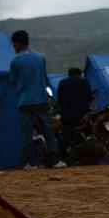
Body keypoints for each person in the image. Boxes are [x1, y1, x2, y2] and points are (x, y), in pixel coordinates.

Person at [10, 30, 66, 169]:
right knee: (47, 131)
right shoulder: (41, 58)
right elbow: (44, 79)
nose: (14, 47)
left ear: (17, 43)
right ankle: (56, 161)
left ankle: (31, 163)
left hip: (24, 101)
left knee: (27, 133)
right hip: (40, 99)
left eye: (14, 44)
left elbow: (13, 81)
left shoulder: (15, 61)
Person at [57, 67, 94, 161]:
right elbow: (90, 98)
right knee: (88, 134)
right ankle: (89, 157)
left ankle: (60, 159)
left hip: (67, 115)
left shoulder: (62, 82)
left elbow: (60, 100)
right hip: (83, 115)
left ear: (69, 74)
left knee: (65, 137)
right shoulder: (84, 82)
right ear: (79, 74)